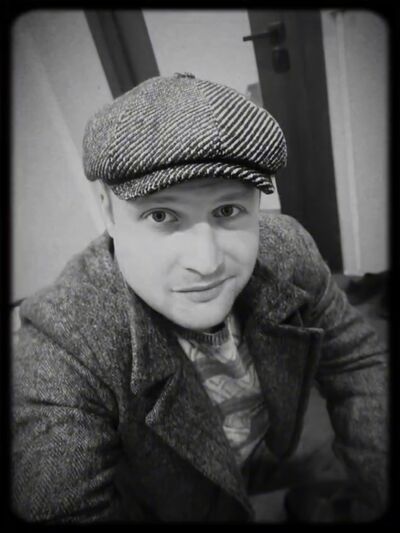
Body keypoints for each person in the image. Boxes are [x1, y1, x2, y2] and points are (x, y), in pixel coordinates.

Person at [11, 73, 388, 523]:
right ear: (108, 210)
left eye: (228, 210)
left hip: (269, 448)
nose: (206, 263)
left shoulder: (287, 249)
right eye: (161, 215)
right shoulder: (63, 342)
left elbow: (356, 361)